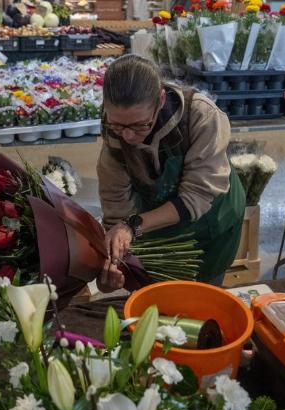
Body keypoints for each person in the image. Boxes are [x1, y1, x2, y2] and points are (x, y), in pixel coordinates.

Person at [96, 55, 245, 293]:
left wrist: (132, 226)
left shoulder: (200, 116)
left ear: (161, 99)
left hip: (212, 222)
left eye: (140, 125)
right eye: (117, 125)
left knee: (204, 296)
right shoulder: (113, 144)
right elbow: (116, 215)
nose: (128, 136)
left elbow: (195, 196)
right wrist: (115, 262)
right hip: (156, 232)